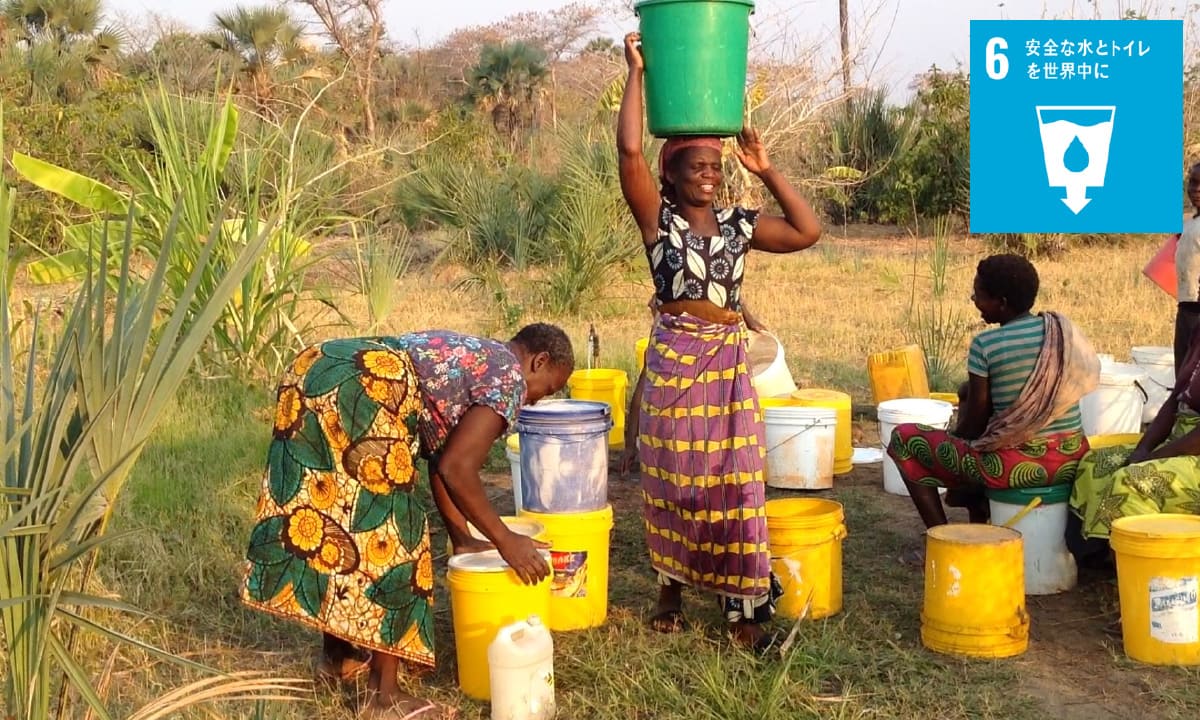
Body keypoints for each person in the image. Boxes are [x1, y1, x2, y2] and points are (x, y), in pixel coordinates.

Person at [239, 324, 573, 719]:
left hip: (315, 367)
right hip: (364, 386)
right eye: (546, 390)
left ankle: (338, 657)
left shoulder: (480, 357)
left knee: (333, 516)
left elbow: (441, 460)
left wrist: (463, 539)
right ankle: (384, 696)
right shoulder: (508, 378)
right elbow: (457, 467)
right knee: (397, 535)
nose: (532, 403)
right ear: (539, 361)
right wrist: (505, 540)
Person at [617, 32, 822, 651]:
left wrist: (765, 169)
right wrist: (638, 73)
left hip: (727, 363)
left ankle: (745, 616)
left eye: (714, 166)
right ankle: (671, 592)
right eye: (695, 167)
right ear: (670, 175)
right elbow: (629, 150)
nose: (708, 175)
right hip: (678, 360)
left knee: (735, 483)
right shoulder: (660, 221)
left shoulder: (739, 222)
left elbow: (807, 232)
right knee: (677, 478)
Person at [886, 255, 1099, 561]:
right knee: (976, 436)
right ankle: (977, 509)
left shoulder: (987, 345)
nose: (974, 302)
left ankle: (944, 542)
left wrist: (956, 432)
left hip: (1013, 468)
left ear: (1001, 302)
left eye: (979, 296)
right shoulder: (1060, 332)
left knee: (905, 438)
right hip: (1071, 457)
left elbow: (974, 427)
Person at [1070, 290, 1200, 550]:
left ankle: (1146, 565)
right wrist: (1143, 449)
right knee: (1095, 463)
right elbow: (1174, 400)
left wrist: (1153, 458)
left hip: (1194, 451)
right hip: (1183, 442)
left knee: (1133, 480)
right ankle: (1097, 553)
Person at [1174, 163, 1200, 372]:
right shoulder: (1190, 223)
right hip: (1186, 307)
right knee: (1182, 369)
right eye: (1193, 182)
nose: (1196, 189)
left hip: (1197, 308)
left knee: (1191, 375)